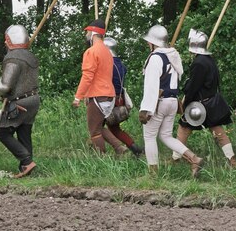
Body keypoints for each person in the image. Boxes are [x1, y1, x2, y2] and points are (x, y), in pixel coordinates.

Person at [139, 25, 204, 177]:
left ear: (153, 43)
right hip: (173, 101)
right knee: (166, 136)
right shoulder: (172, 56)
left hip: (159, 101)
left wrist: (146, 109)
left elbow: (151, 85)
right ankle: (194, 158)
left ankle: (153, 175)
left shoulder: (155, 58)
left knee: (149, 136)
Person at [169, 29, 236, 167]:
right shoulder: (208, 60)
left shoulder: (199, 62)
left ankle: (175, 159)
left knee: (183, 128)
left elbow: (194, 86)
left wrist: (185, 104)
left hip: (201, 105)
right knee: (219, 132)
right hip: (211, 103)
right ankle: (232, 161)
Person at [0, 25, 40, 178]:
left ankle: (26, 160)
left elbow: (5, 85)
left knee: (3, 132)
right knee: (24, 132)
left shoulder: (13, 57)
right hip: (34, 100)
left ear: (9, 40)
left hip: (20, 103)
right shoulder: (30, 56)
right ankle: (25, 167)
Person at [72, 19, 128, 156]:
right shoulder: (107, 52)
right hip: (109, 95)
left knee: (94, 131)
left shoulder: (91, 52)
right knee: (98, 126)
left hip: (98, 95)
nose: (86, 34)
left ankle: (102, 160)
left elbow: (87, 77)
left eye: (87, 32)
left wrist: (78, 97)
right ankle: (119, 147)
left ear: (93, 33)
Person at [103, 37, 143, 158]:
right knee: (114, 129)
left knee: (96, 127)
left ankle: (117, 148)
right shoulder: (120, 63)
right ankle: (134, 148)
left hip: (109, 99)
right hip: (119, 98)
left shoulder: (108, 64)